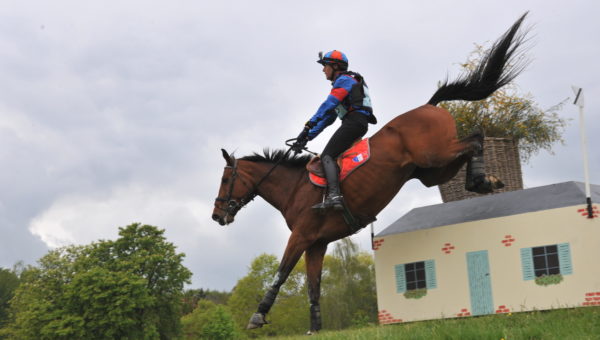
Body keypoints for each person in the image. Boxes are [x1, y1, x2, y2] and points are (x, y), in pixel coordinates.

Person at [292, 50, 377, 210]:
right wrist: (306, 137)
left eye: (325, 66)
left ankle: (334, 196)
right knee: (336, 157)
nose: (323, 70)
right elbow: (328, 118)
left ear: (335, 66)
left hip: (354, 122)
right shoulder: (344, 84)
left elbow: (328, 105)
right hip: (355, 122)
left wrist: (308, 125)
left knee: (327, 156)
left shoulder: (345, 80)